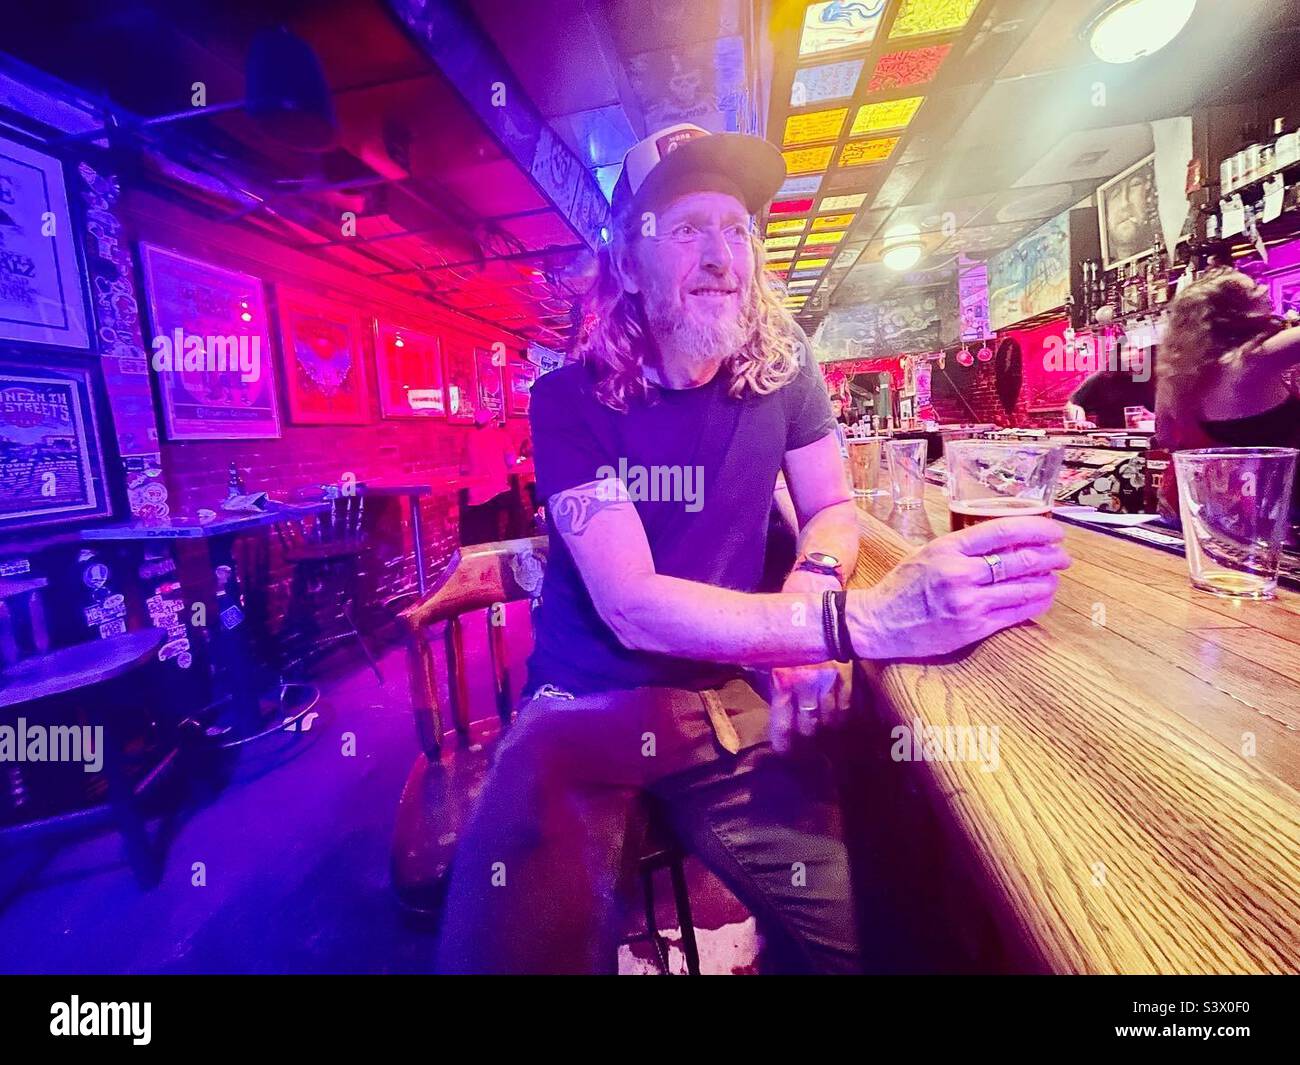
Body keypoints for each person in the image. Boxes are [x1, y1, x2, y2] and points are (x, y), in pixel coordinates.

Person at [433, 122, 1068, 974]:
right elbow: (633, 605)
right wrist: (854, 623)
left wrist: (812, 584)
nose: (720, 254)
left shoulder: (783, 363)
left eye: (736, 227)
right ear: (628, 264)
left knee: (879, 929)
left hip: (724, 700)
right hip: (585, 703)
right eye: (685, 228)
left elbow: (834, 505)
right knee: (503, 949)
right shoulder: (566, 399)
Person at [1155, 267, 1300, 528]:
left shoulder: (1176, 375)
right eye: (1253, 289)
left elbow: (1164, 436)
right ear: (1229, 314)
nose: (1266, 288)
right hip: (1277, 511)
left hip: (1213, 512)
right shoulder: (1254, 359)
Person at [459, 407, 519, 544]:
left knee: (486, 530)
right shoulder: (501, 435)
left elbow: (463, 468)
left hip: (474, 497)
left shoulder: (468, 438)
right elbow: (511, 462)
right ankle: (517, 540)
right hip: (496, 492)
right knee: (517, 507)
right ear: (491, 421)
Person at [1065, 366, 1155, 428]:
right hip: (1111, 445)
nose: (1134, 353)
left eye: (1140, 350)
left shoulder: (1159, 377)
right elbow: (1073, 404)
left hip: (1154, 443)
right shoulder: (1104, 377)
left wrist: (1155, 419)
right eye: (1128, 349)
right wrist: (1080, 422)